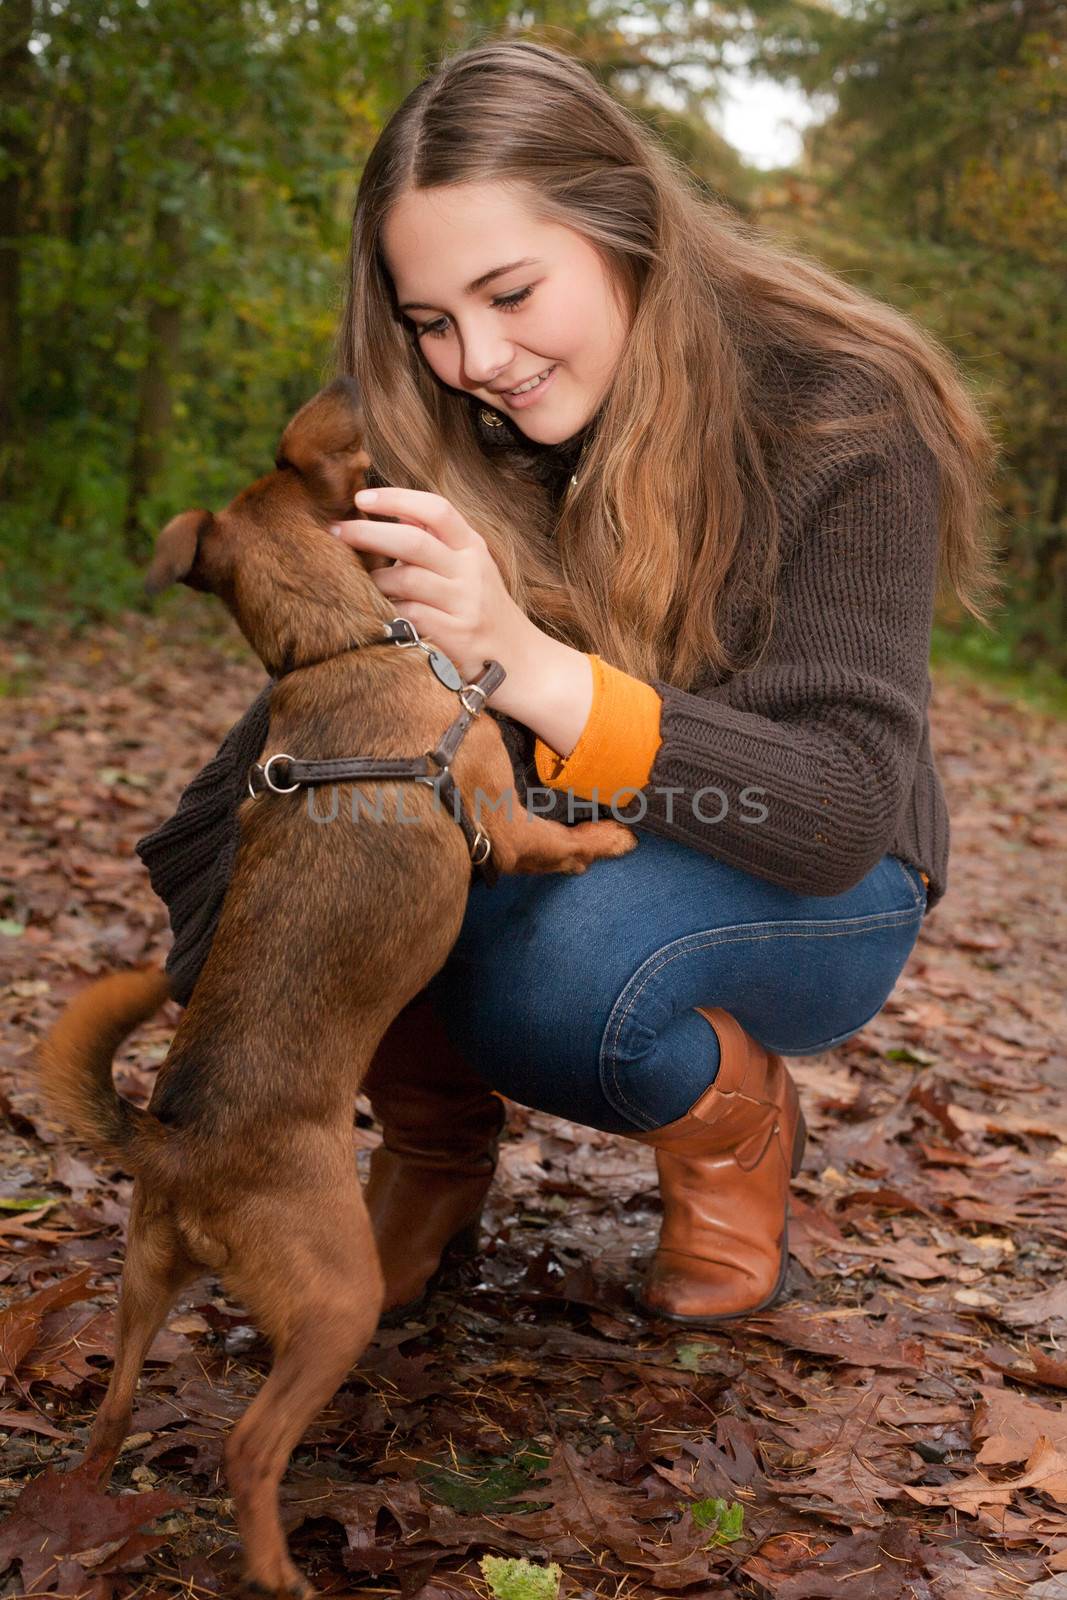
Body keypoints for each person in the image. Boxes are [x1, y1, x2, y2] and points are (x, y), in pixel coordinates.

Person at [137, 38, 999, 1328]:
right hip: (563, 813)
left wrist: (528, 664)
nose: (477, 357)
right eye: (431, 321)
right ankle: (432, 1148)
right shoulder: (445, 425)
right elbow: (331, 735)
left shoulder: (842, 411)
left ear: (625, 229)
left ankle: (734, 1126)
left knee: (553, 984)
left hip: (812, 865)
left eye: (512, 293)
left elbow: (837, 808)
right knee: (344, 845)